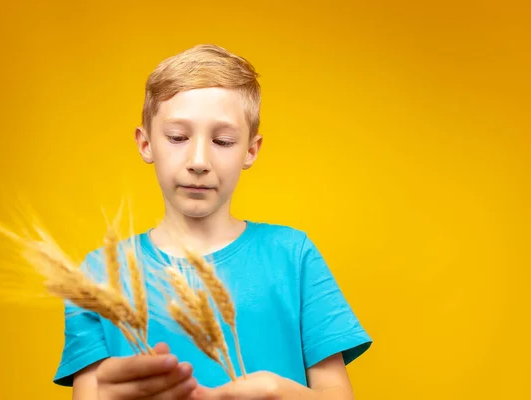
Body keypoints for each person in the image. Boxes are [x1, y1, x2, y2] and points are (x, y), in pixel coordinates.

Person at [53, 44, 372, 400]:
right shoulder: (98, 277)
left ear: (251, 150)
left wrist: (279, 393)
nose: (199, 160)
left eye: (222, 140)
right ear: (146, 144)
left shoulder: (293, 255)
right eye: (177, 137)